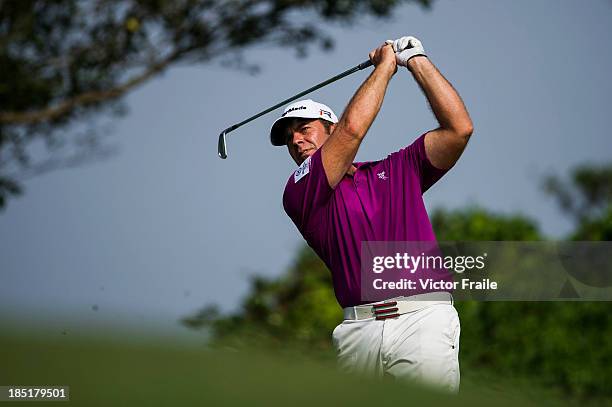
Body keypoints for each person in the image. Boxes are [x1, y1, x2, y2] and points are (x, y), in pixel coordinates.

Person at [269, 36, 473, 392]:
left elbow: (459, 130)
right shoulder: (299, 192)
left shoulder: (397, 169)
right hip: (357, 330)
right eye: (289, 139)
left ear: (328, 129)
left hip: (422, 320)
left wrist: (416, 61)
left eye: (304, 130)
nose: (296, 142)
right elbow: (351, 131)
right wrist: (385, 67)